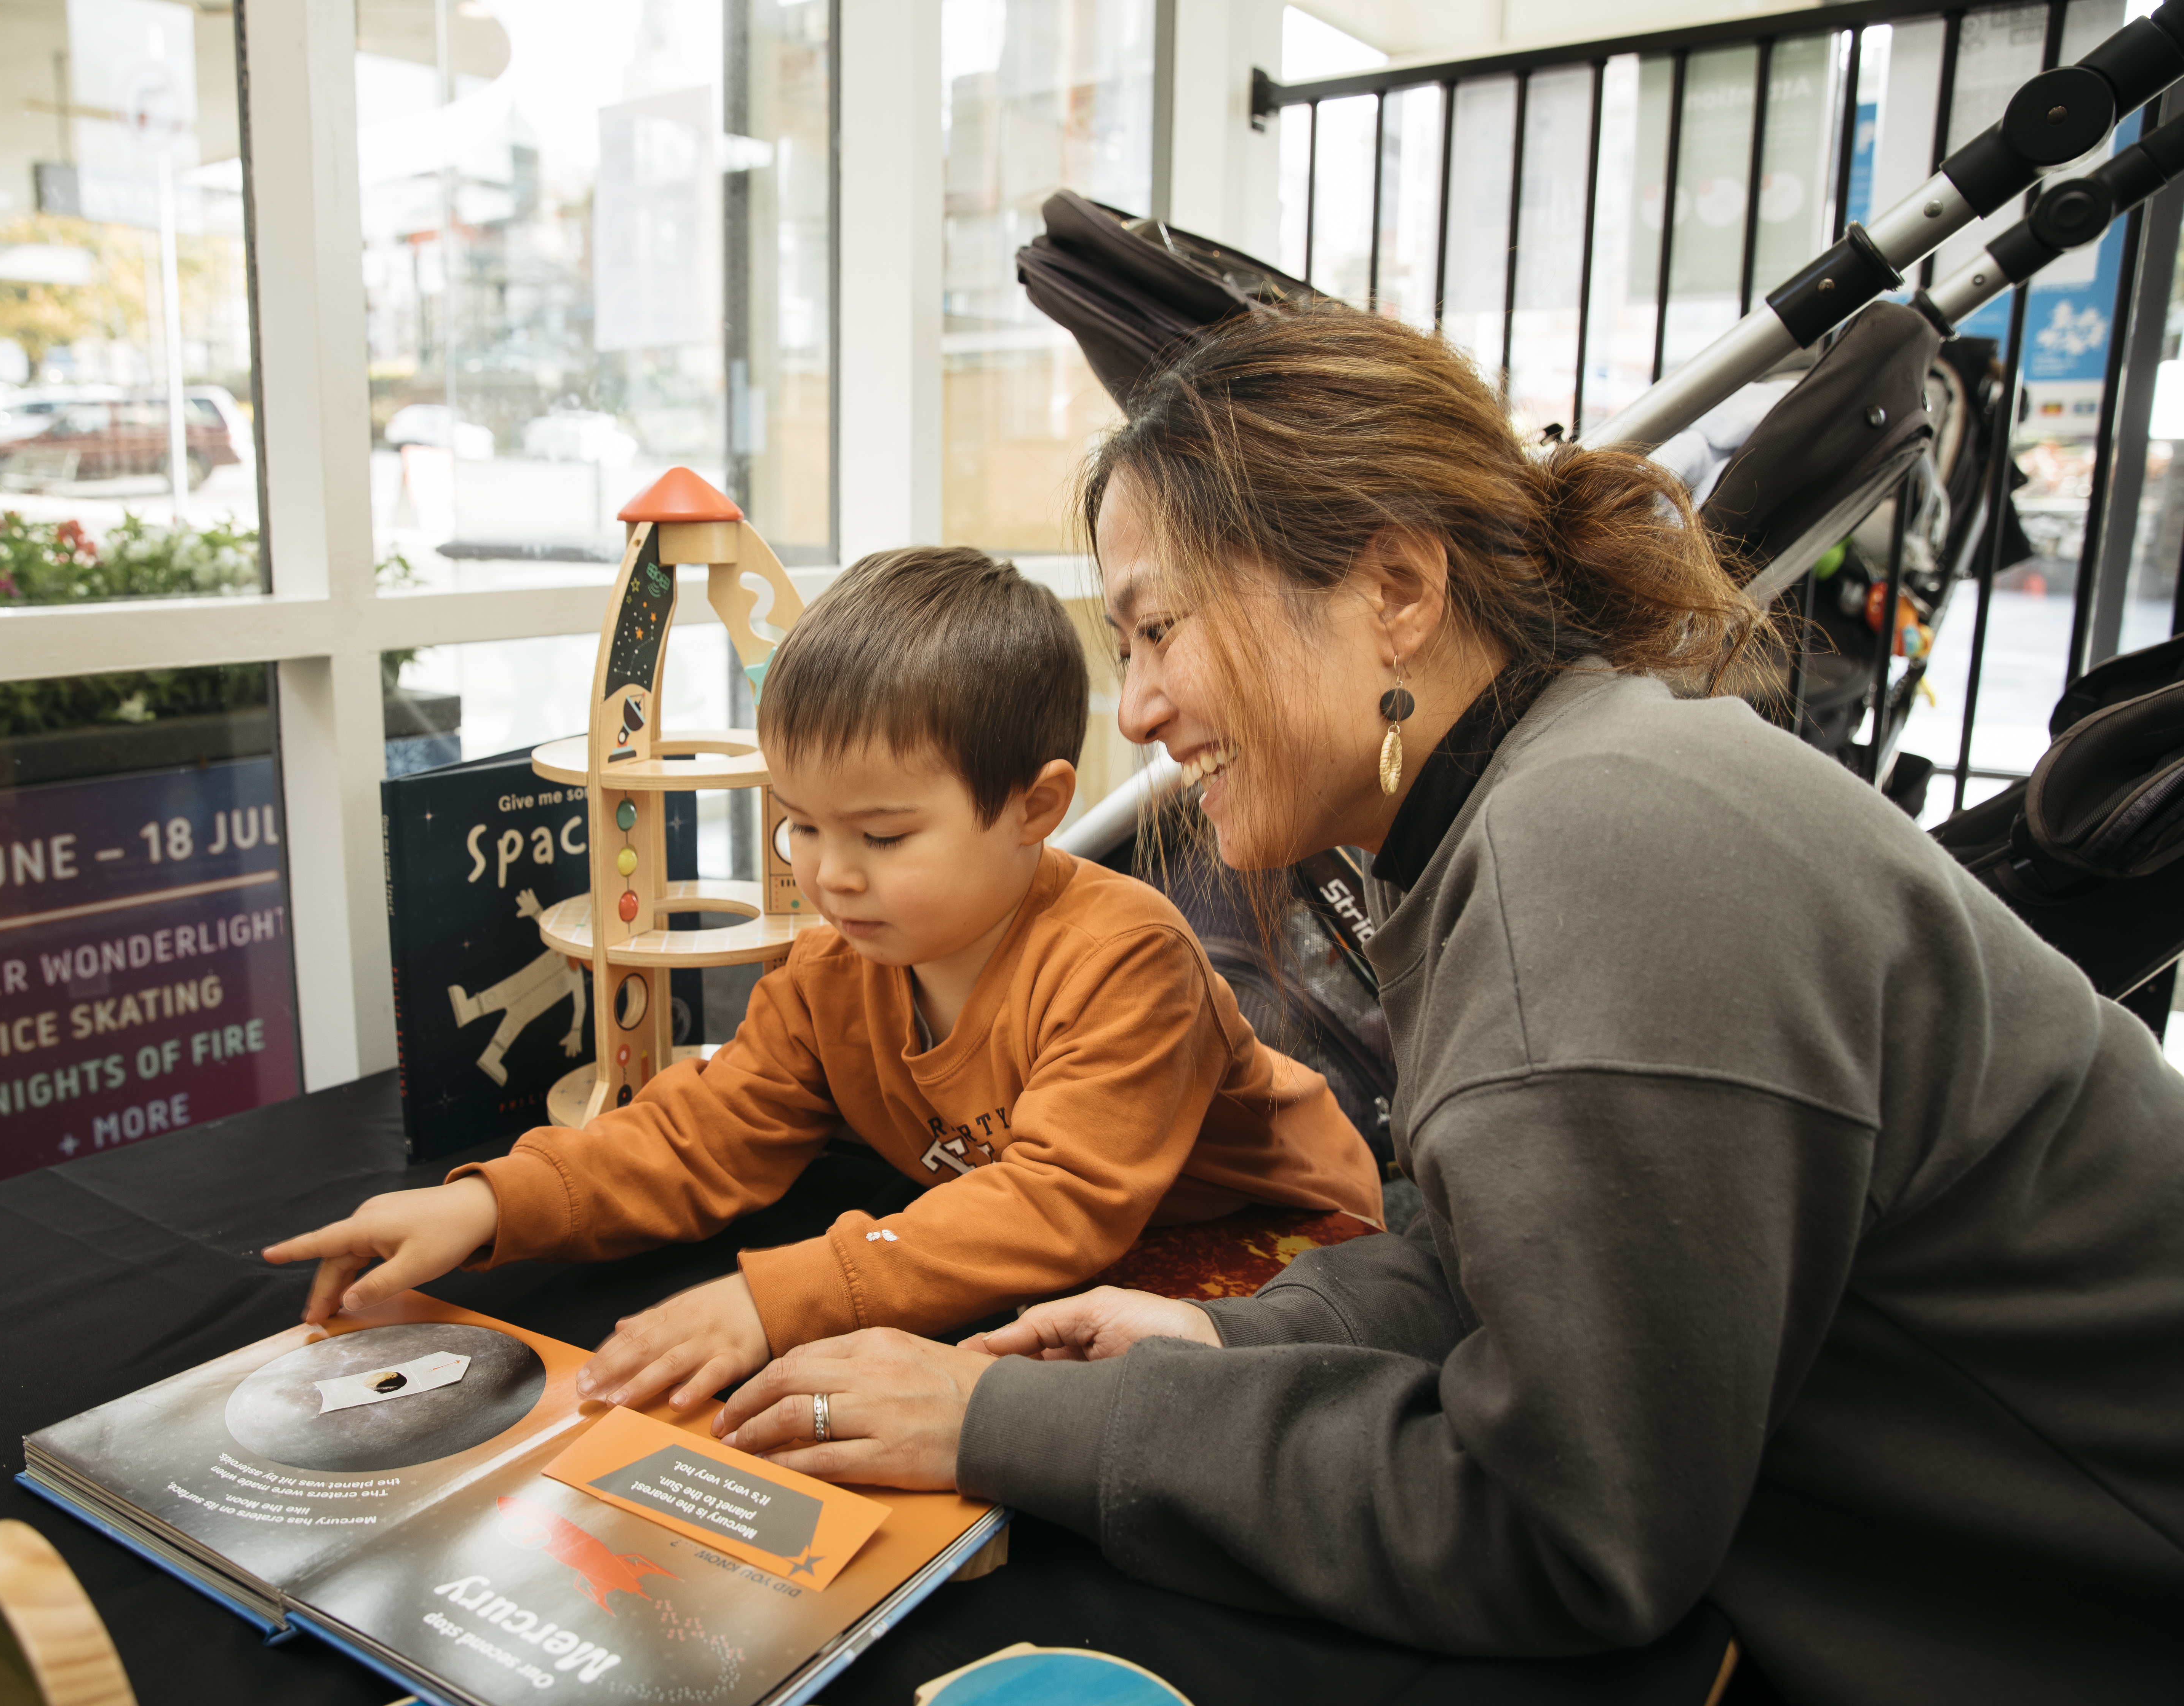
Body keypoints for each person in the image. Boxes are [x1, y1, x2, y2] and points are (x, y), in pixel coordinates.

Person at [710, 307, 2184, 1705]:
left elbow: (1567, 1528)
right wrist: (1235, 1343)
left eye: (1160, 631)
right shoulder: (1558, 791)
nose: (1142, 711)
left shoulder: (1602, 851)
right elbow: (1498, 1268)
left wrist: (1003, 1425)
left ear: (1398, 593)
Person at [267, 547, 1383, 1414]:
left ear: (1037, 808)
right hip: (1076, 1260)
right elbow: (701, 1135)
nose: (828, 873)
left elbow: (1055, 1202)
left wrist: (774, 1299)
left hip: (1290, 1246)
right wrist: (488, 1201)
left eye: (885, 836)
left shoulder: (1124, 956)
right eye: (798, 824)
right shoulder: (831, 968)